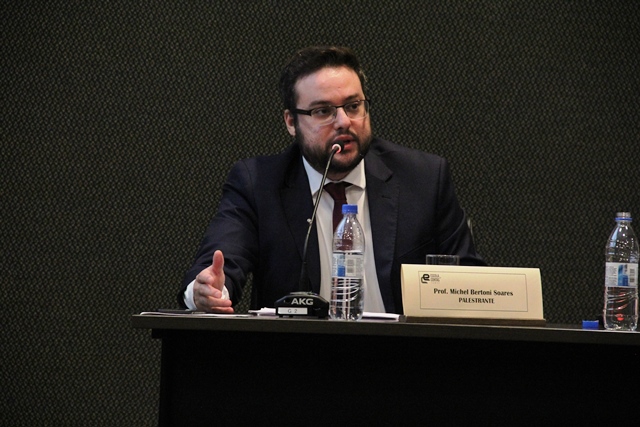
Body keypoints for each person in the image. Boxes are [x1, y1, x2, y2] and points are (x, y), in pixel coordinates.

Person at [178, 45, 485, 314]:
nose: (344, 122)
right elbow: (221, 262)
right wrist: (207, 290)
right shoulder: (258, 183)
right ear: (291, 122)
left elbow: (471, 286)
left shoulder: (423, 178)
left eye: (353, 106)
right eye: (323, 111)